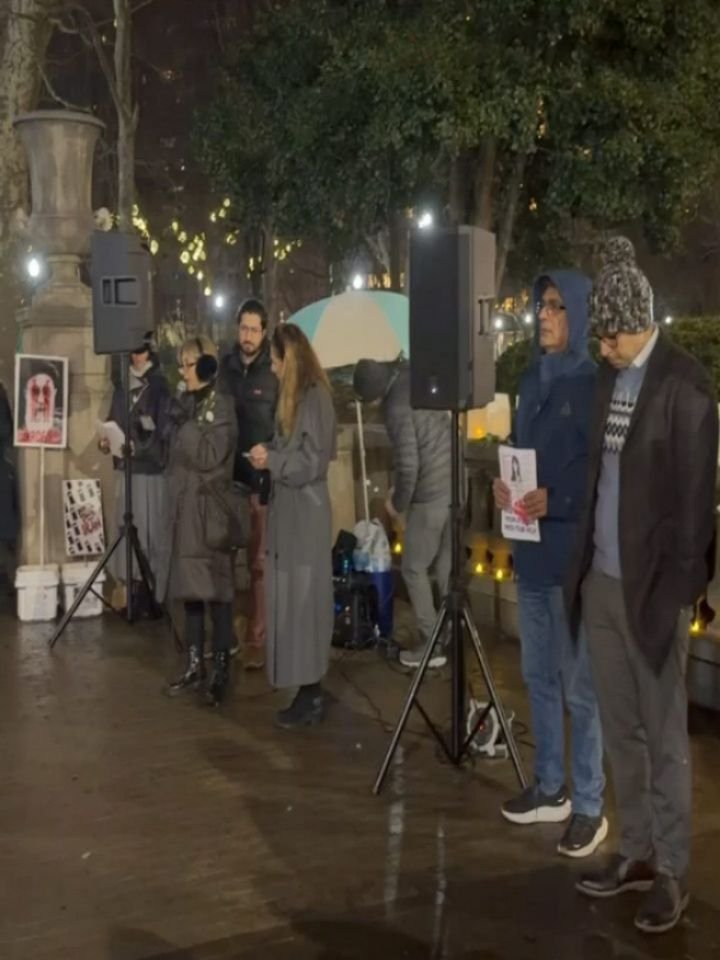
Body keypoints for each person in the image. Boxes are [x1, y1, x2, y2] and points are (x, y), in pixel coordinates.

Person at [567, 238, 718, 934]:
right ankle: (634, 853)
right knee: (621, 731)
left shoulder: (685, 387)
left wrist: (678, 595)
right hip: (601, 583)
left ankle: (674, 873)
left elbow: (695, 512)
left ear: (642, 321)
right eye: (598, 337)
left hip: (654, 595)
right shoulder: (608, 378)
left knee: (664, 740)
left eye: (612, 336)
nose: (604, 349)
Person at [493, 272, 606, 858]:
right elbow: (520, 450)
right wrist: (506, 484)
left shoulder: (591, 385)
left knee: (579, 688)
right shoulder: (532, 378)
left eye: (557, 307)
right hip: (530, 556)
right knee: (537, 677)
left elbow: (597, 479)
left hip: (569, 561)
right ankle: (550, 786)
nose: (544, 316)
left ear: (579, 314)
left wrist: (554, 503)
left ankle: (590, 804)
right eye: (541, 306)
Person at [249, 323, 336, 728]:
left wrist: (275, 462)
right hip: (291, 511)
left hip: (305, 512)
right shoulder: (296, 399)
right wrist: (271, 451)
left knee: (304, 601)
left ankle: (311, 690)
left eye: (275, 360)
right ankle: (303, 687)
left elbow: (313, 461)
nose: (272, 367)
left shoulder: (315, 398)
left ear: (291, 360)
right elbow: (295, 449)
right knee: (291, 601)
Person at [353, 358, 451, 669]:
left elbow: (409, 466)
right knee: (446, 568)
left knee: (413, 568)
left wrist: (398, 504)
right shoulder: (415, 378)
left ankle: (431, 643)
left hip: (430, 493)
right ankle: (449, 633)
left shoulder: (396, 407)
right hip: (453, 486)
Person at [165, 335, 239, 707]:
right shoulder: (185, 403)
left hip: (210, 516)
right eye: (180, 364)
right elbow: (172, 450)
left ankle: (222, 669)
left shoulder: (221, 406)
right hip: (185, 513)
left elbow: (211, 454)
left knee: (217, 596)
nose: (182, 372)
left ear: (205, 366)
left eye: (188, 364)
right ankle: (194, 664)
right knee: (190, 594)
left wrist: (190, 425)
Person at [219, 298, 278, 669]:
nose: (248, 336)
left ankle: (258, 633)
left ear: (264, 331)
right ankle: (227, 635)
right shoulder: (224, 370)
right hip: (227, 479)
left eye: (254, 329)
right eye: (243, 328)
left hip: (260, 480)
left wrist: (270, 453)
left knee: (258, 563)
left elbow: (283, 425)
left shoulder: (273, 372)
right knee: (224, 558)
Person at [100, 335, 172, 614]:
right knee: (126, 527)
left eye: (141, 351)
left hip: (148, 469)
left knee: (148, 529)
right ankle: (130, 590)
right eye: (132, 351)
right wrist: (106, 440)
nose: (136, 357)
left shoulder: (159, 386)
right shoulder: (121, 384)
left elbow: (161, 430)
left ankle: (149, 592)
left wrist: (138, 447)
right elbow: (112, 418)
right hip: (126, 467)